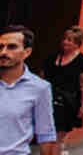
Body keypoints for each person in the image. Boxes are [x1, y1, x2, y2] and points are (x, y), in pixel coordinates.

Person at [0, 25, 57, 155]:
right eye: (0, 47)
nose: (3, 52)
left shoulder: (40, 88)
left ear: (27, 52)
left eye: (12, 47)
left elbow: (46, 133)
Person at [41, 26, 83, 155]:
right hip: (49, 100)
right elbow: (42, 77)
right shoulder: (52, 57)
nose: (65, 42)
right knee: (46, 137)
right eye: (64, 39)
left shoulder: (82, 61)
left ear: (78, 44)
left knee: (58, 138)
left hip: (67, 104)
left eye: (70, 40)